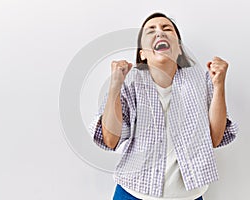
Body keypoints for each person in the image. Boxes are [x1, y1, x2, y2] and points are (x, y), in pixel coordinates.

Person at [89, 12, 238, 200]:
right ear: (142, 53)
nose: (160, 33)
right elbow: (111, 140)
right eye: (151, 31)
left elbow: (214, 139)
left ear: (179, 49)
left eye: (167, 29)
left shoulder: (201, 80)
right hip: (133, 192)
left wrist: (219, 85)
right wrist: (115, 85)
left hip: (189, 196)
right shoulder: (129, 83)